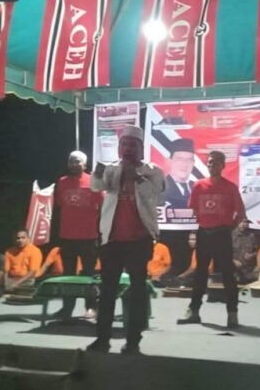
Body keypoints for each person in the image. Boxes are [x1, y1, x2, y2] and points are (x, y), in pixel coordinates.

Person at [86, 125, 165, 355]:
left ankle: (133, 341)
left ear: (141, 148)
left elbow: (159, 195)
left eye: (133, 145)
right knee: (107, 291)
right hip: (112, 240)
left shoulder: (152, 171)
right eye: (124, 144)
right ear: (119, 148)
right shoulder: (112, 169)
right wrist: (97, 173)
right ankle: (102, 339)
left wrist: (136, 176)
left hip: (139, 240)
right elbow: (96, 186)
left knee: (137, 290)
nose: (128, 148)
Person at [177, 151, 246, 328]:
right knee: (200, 274)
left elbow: (240, 212)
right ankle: (194, 311)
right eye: (209, 162)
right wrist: (205, 223)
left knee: (228, 274)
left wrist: (230, 226)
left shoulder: (230, 187)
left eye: (215, 163)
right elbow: (194, 208)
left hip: (222, 234)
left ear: (223, 165)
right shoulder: (199, 185)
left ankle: (232, 314)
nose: (211, 165)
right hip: (204, 234)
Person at [54, 150, 103, 318]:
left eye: (77, 162)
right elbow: (60, 204)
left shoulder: (93, 181)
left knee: (89, 274)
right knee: (68, 274)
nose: (74, 164)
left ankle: (91, 307)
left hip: (88, 236)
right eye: (71, 161)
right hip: (67, 235)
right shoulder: (62, 182)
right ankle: (67, 308)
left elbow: (102, 205)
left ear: (85, 164)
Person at [163, 138, 195, 208]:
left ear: (193, 163)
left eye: (189, 160)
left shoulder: (197, 187)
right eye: (179, 159)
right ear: (169, 161)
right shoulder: (160, 187)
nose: (184, 164)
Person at [232, 216, 259, 284]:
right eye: (243, 222)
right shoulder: (230, 236)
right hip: (233, 271)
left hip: (249, 271)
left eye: (247, 222)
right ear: (237, 222)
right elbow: (223, 253)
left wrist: (252, 255)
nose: (245, 224)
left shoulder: (252, 236)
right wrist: (233, 261)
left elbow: (259, 251)